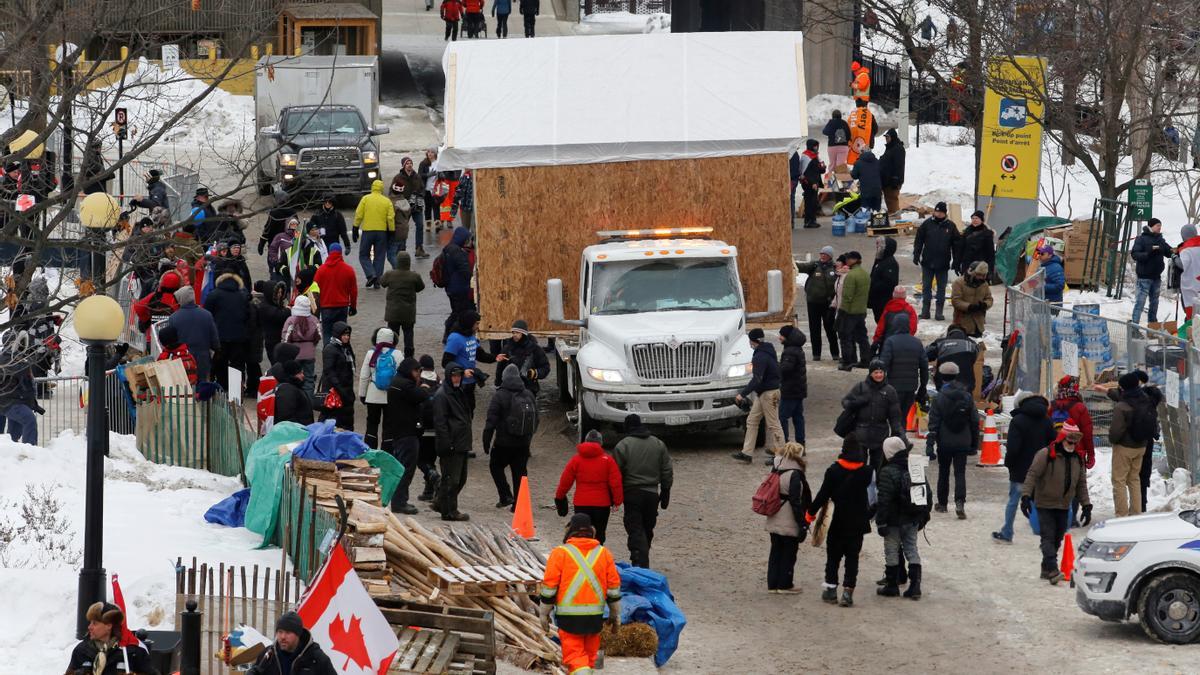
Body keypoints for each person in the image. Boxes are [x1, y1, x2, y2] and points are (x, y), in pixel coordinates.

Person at [538, 513, 622, 675]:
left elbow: (549, 588)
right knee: (589, 658)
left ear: (570, 531)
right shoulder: (604, 554)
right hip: (595, 618)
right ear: (592, 531)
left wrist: (543, 613)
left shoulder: (559, 553)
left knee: (575, 658)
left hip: (569, 619)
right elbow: (613, 589)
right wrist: (615, 614)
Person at [1021, 421, 1092, 584]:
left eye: (1075, 443)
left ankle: (1045, 569)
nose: (1072, 445)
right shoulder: (1045, 454)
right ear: (1062, 439)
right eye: (1069, 441)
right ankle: (1053, 570)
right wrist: (1025, 496)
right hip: (1044, 503)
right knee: (1047, 536)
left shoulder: (1077, 459)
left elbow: (1081, 484)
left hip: (1064, 505)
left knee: (1057, 539)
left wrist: (1086, 505)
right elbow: (1032, 475)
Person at [806, 436, 872, 607]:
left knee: (833, 558)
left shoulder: (834, 471)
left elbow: (823, 495)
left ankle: (830, 590)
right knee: (852, 558)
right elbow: (874, 498)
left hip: (836, 523)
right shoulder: (866, 472)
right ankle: (848, 593)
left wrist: (810, 514)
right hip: (857, 525)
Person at [611, 413, 672, 569]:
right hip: (652, 494)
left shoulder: (622, 446)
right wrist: (665, 491)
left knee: (635, 528)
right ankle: (642, 557)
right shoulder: (658, 444)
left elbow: (615, 474)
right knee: (647, 528)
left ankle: (639, 561)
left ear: (627, 427)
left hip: (632, 494)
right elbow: (666, 470)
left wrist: (613, 496)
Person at [992, 392, 1055, 543]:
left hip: (1020, 469)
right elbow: (1052, 444)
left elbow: (1013, 448)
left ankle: (1007, 532)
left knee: (1013, 501)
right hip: (1041, 468)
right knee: (1039, 501)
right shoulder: (1046, 420)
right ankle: (1045, 532)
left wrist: (1009, 463)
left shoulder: (1018, 421)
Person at [875, 436, 929, 599]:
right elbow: (927, 492)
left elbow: (884, 499)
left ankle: (892, 585)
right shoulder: (915, 466)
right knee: (912, 549)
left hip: (893, 520)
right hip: (912, 517)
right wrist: (923, 515)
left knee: (891, 550)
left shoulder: (887, 471)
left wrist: (881, 521)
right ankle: (915, 586)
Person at [926, 362, 979, 519]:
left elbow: (933, 422)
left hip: (945, 441)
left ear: (942, 377)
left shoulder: (939, 397)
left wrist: (930, 444)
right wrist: (973, 444)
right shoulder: (967, 396)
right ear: (957, 375)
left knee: (943, 471)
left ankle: (942, 503)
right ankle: (960, 502)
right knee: (960, 472)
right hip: (963, 440)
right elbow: (975, 421)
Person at [482, 364, 537, 508]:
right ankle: (519, 505)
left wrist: (486, 440)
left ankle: (505, 495)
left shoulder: (500, 395)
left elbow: (491, 420)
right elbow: (536, 418)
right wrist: (528, 438)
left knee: (495, 466)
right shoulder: (528, 394)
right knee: (520, 473)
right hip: (523, 443)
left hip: (503, 443)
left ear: (504, 378)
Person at [555, 429, 623, 544]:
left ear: (585, 441)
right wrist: (617, 501)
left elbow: (565, 481)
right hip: (602, 504)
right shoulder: (608, 460)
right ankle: (596, 557)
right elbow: (616, 483)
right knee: (599, 534)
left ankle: (582, 557)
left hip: (581, 503)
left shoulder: (576, 460)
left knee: (581, 534)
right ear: (600, 443)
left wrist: (559, 497)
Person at [763, 441, 811, 593]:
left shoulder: (776, 468)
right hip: (788, 518)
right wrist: (802, 523)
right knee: (789, 553)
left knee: (775, 551)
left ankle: (773, 584)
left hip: (774, 514)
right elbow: (796, 502)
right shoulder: (795, 474)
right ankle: (785, 584)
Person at [1109, 371, 1159, 517]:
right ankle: (1136, 513)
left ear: (1124, 388)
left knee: (1119, 481)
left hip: (1124, 447)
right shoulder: (1146, 399)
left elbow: (1115, 432)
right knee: (1134, 479)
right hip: (1142, 446)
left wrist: (1114, 440)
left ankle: (1122, 515)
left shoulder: (1122, 406)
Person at [731, 328, 784, 463]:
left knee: (773, 424)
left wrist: (742, 394)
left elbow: (757, 379)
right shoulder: (768, 351)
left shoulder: (760, 356)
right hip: (766, 393)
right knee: (752, 420)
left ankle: (781, 456)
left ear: (752, 341)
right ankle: (747, 453)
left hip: (768, 394)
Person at [385, 357, 430, 514]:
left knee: (401, 467)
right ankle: (399, 502)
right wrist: (425, 388)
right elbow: (421, 396)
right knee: (406, 469)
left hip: (398, 431)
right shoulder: (406, 385)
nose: (419, 374)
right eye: (417, 371)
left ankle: (399, 500)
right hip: (407, 432)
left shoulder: (396, 382)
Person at [842, 358, 904, 466]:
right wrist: (858, 402)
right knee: (860, 468)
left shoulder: (890, 391)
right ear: (871, 373)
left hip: (880, 436)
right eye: (876, 372)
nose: (879, 375)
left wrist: (897, 433)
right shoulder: (860, 387)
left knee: (878, 467)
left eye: (881, 372)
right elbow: (845, 402)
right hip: (861, 434)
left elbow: (895, 416)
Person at [67, 601, 156, 675]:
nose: (89, 627)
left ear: (108, 625)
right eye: (90, 623)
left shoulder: (133, 652)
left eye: (95, 623)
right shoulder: (82, 650)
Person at [433, 363, 473, 520]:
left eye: (459, 375)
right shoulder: (442, 395)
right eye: (454, 375)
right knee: (452, 479)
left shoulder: (458, 392)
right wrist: (447, 444)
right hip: (452, 443)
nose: (457, 378)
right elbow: (440, 423)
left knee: (460, 479)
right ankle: (449, 511)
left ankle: (441, 503)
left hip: (461, 442)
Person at [247, 611, 337, 675]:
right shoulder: (268, 655)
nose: (283, 637)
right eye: (280, 632)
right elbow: (256, 671)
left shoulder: (316, 658)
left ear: (298, 634)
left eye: (288, 633)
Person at [204, 272, 251, 393]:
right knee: (237, 365)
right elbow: (248, 316)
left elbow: (207, 315)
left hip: (220, 336)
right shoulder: (242, 296)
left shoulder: (214, 295)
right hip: (239, 337)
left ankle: (222, 389)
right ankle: (237, 392)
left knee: (220, 364)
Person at [913, 202, 960, 320]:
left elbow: (956, 244)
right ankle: (925, 311)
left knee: (941, 288)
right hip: (928, 261)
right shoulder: (927, 224)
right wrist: (916, 254)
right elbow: (919, 240)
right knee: (926, 287)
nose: (938, 214)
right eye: (936, 211)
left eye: (940, 212)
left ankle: (939, 312)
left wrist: (956, 261)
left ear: (945, 213)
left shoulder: (951, 226)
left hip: (943, 263)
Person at [878, 314, 928, 423]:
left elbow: (883, 364)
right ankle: (901, 436)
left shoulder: (890, 341)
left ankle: (894, 437)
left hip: (893, 386)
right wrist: (923, 386)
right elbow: (924, 366)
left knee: (892, 415)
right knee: (903, 416)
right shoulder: (917, 343)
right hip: (911, 386)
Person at [167, 285, 220, 382]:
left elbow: (171, 342)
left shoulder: (174, 318)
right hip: (203, 358)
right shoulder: (207, 315)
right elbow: (214, 339)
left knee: (184, 386)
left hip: (182, 359)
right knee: (202, 386)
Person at [796, 246, 839, 361]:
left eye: (825, 254)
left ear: (830, 256)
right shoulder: (814, 265)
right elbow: (800, 267)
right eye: (821, 254)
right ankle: (816, 354)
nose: (822, 256)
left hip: (828, 304)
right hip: (813, 303)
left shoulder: (835, 268)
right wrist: (790, 262)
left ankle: (835, 354)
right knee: (814, 329)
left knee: (830, 329)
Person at [352, 179, 396, 288]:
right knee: (379, 256)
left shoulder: (365, 199)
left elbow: (359, 214)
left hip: (368, 231)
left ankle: (371, 274)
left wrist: (355, 228)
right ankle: (377, 281)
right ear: (381, 188)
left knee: (363, 255)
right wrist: (391, 231)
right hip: (382, 232)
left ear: (372, 187)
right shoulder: (386, 201)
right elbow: (390, 218)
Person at [380, 252, 425, 359]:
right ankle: (409, 356)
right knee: (408, 334)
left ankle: (390, 353)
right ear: (408, 262)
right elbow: (420, 287)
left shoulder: (390, 274)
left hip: (393, 312)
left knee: (392, 335)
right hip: (408, 313)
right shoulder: (414, 276)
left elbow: (382, 282)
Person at [0, 332, 41, 444]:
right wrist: (31, 360)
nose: (22, 346)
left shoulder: (19, 358)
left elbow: (27, 382)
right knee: (29, 420)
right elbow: (18, 371)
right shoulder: (4, 358)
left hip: (20, 400)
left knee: (13, 435)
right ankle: (31, 450)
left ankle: (12, 454)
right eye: (19, 343)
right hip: (9, 402)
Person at [313, 243, 358, 345]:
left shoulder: (321, 270)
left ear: (329, 253)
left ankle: (328, 356)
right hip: (342, 307)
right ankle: (342, 355)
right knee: (342, 334)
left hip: (326, 308)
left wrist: (316, 310)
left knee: (327, 333)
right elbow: (354, 291)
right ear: (341, 253)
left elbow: (315, 291)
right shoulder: (349, 270)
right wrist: (353, 307)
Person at [359, 327, 397, 449]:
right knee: (389, 425)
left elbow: (364, 376)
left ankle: (370, 450)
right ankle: (387, 451)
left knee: (372, 424)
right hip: (391, 397)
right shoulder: (398, 354)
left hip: (373, 395)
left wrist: (362, 394)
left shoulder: (371, 354)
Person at [1131, 218, 1172, 323]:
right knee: (1140, 302)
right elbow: (1135, 254)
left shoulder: (1161, 240)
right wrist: (1148, 252)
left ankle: (1153, 326)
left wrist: (1178, 250)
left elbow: (1170, 252)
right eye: (1158, 225)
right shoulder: (1141, 239)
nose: (1160, 227)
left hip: (1156, 277)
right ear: (1151, 226)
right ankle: (1134, 326)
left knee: (1154, 303)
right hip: (1144, 277)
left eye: (1160, 226)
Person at [1051, 375, 1095, 471]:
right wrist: (1091, 455)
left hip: (1055, 452)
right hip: (1076, 453)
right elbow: (1087, 434)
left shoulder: (1051, 406)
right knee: (1077, 483)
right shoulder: (1080, 407)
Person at [282, 294, 321, 402]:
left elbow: (285, 337)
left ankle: (295, 400)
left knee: (294, 378)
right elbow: (319, 335)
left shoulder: (291, 320)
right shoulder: (314, 320)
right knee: (309, 379)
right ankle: (308, 401)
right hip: (310, 354)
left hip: (295, 354)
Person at [837, 250, 871, 372]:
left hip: (849, 312)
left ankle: (847, 362)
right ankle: (866, 360)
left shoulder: (851, 275)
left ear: (854, 260)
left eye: (848, 259)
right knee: (862, 337)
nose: (846, 261)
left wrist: (842, 311)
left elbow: (847, 296)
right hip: (861, 310)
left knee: (845, 337)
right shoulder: (865, 274)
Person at [440, 226, 476, 341]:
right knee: (459, 312)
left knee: (457, 311)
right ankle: (450, 333)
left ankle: (451, 333)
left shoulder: (448, 248)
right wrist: (472, 279)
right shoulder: (457, 252)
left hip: (451, 287)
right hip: (459, 288)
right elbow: (465, 270)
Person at [495, 319, 550, 393]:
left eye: (517, 333)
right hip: (510, 388)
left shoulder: (535, 348)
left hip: (529, 388)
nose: (514, 335)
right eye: (513, 332)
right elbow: (500, 368)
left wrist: (534, 373)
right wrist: (498, 384)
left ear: (523, 334)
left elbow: (545, 367)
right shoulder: (508, 348)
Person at [318, 322, 356, 430]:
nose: (347, 337)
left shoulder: (346, 348)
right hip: (334, 392)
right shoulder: (330, 349)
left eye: (348, 335)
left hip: (346, 390)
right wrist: (340, 389)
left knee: (346, 421)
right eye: (344, 335)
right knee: (331, 421)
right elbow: (329, 371)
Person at [416, 355, 443, 501]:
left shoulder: (419, 381)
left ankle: (433, 478)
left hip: (423, 428)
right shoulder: (439, 380)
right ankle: (429, 490)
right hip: (437, 429)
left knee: (421, 460)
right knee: (431, 458)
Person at [390, 157, 427, 256]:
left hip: (416, 206)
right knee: (403, 227)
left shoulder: (417, 177)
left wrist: (421, 195)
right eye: (407, 163)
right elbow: (392, 192)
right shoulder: (398, 178)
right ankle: (402, 250)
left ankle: (419, 248)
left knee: (420, 225)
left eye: (411, 163)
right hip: (403, 206)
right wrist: (398, 201)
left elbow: (423, 188)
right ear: (403, 165)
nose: (409, 165)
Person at [777, 325, 808, 444]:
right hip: (798, 389)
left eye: (781, 335)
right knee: (798, 417)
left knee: (782, 417)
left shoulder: (790, 351)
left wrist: (774, 367)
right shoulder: (796, 348)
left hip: (790, 390)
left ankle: (783, 445)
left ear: (787, 337)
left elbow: (785, 369)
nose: (779, 338)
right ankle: (800, 445)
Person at [927, 325, 978, 394]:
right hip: (966, 384)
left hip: (944, 383)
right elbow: (974, 359)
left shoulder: (941, 342)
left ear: (949, 333)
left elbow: (927, 355)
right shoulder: (972, 344)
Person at [949, 261, 993, 338]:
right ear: (971, 272)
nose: (981, 278)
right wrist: (969, 306)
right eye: (979, 275)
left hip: (978, 323)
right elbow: (955, 300)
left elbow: (989, 299)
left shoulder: (984, 284)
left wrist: (985, 305)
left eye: (983, 275)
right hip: (961, 323)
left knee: (977, 348)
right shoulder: (959, 283)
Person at [256, 281, 291, 366]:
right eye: (278, 292)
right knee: (278, 365)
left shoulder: (274, 304)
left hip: (279, 339)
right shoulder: (265, 307)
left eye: (280, 292)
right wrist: (288, 310)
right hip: (272, 341)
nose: (280, 294)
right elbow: (279, 315)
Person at [871, 285, 917, 350]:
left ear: (893, 295)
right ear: (905, 296)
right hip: (904, 344)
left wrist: (876, 340)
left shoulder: (888, 309)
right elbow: (913, 328)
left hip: (887, 343)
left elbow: (880, 328)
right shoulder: (910, 310)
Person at [273, 359, 314, 427]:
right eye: (299, 373)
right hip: (296, 433)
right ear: (291, 374)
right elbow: (287, 418)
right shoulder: (287, 390)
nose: (303, 375)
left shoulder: (294, 386)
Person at [867, 237, 899, 322]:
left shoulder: (890, 263)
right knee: (879, 320)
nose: (877, 247)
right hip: (877, 300)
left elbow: (890, 283)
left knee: (883, 322)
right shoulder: (880, 260)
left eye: (879, 246)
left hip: (884, 301)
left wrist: (873, 285)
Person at [258, 189, 296, 258]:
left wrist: (261, 243)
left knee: (273, 263)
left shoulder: (274, 213)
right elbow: (297, 229)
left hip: (274, 245)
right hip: (289, 246)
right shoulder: (293, 212)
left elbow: (267, 229)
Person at [796, 139, 825, 228]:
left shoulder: (813, 156)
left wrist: (822, 165)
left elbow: (820, 170)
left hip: (812, 182)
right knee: (810, 203)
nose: (816, 148)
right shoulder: (808, 157)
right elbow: (806, 172)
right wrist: (813, 183)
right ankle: (809, 221)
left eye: (817, 146)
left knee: (812, 202)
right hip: (809, 183)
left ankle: (812, 220)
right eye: (815, 146)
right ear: (811, 146)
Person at [956, 210, 995, 277]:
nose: (974, 220)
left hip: (980, 266)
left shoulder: (987, 233)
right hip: (967, 265)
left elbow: (991, 253)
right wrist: (957, 264)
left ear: (981, 220)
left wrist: (990, 269)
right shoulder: (966, 232)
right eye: (973, 218)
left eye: (977, 218)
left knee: (978, 286)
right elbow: (960, 249)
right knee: (966, 285)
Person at [879, 128, 906, 214]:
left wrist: (895, 179)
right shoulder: (890, 147)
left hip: (892, 182)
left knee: (892, 202)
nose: (886, 139)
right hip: (887, 181)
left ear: (893, 137)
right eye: (885, 138)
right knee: (889, 202)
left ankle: (895, 220)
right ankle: (893, 218)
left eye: (888, 137)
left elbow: (899, 166)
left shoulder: (898, 149)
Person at [850, 145, 882, 212]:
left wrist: (851, 172)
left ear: (861, 152)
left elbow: (854, 176)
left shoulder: (858, 163)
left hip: (865, 192)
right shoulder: (877, 162)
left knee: (865, 213)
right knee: (876, 213)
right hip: (877, 191)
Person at [268, 217, 298, 284]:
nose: (294, 225)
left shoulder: (299, 237)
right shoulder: (280, 236)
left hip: (294, 268)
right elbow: (272, 249)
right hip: (281, 266)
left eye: (296, 224)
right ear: (288, 224)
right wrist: (275, 260)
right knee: (279, 287)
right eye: (292, 223)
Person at [822, 110, 851, 178]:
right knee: (840, 165)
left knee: (832, 164)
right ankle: (841, 182)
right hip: (843, 147)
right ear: (840, 116)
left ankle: (830, 181)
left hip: (832, 147)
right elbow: (849, 135)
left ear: (833, 116)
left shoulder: (831, 122)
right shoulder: (844, 123)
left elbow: (824, 132)